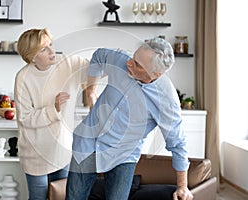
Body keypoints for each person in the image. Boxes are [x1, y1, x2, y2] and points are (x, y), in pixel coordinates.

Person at [66, 37, 194, 200]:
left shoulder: (166, 100)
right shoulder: (121, 59)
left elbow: (177, 143)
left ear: (155, 74)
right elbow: (99, 56)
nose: (129, 63)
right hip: (87, 142)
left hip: (123, 155)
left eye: (138, 65)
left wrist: (182, 186)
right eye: (134, 58)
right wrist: (91, 91)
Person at [14, 28, 89, 200]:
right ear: (31, 56)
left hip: (62, 150)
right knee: (38, 197)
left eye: (50, 45)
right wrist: (53, 108)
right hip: (35, 154)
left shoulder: (67, 64)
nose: (51, 51)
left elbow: (94, 68)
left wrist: (116, 59)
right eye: (43, 49)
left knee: (61, 197)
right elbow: (25, 118)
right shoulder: (23, 77)